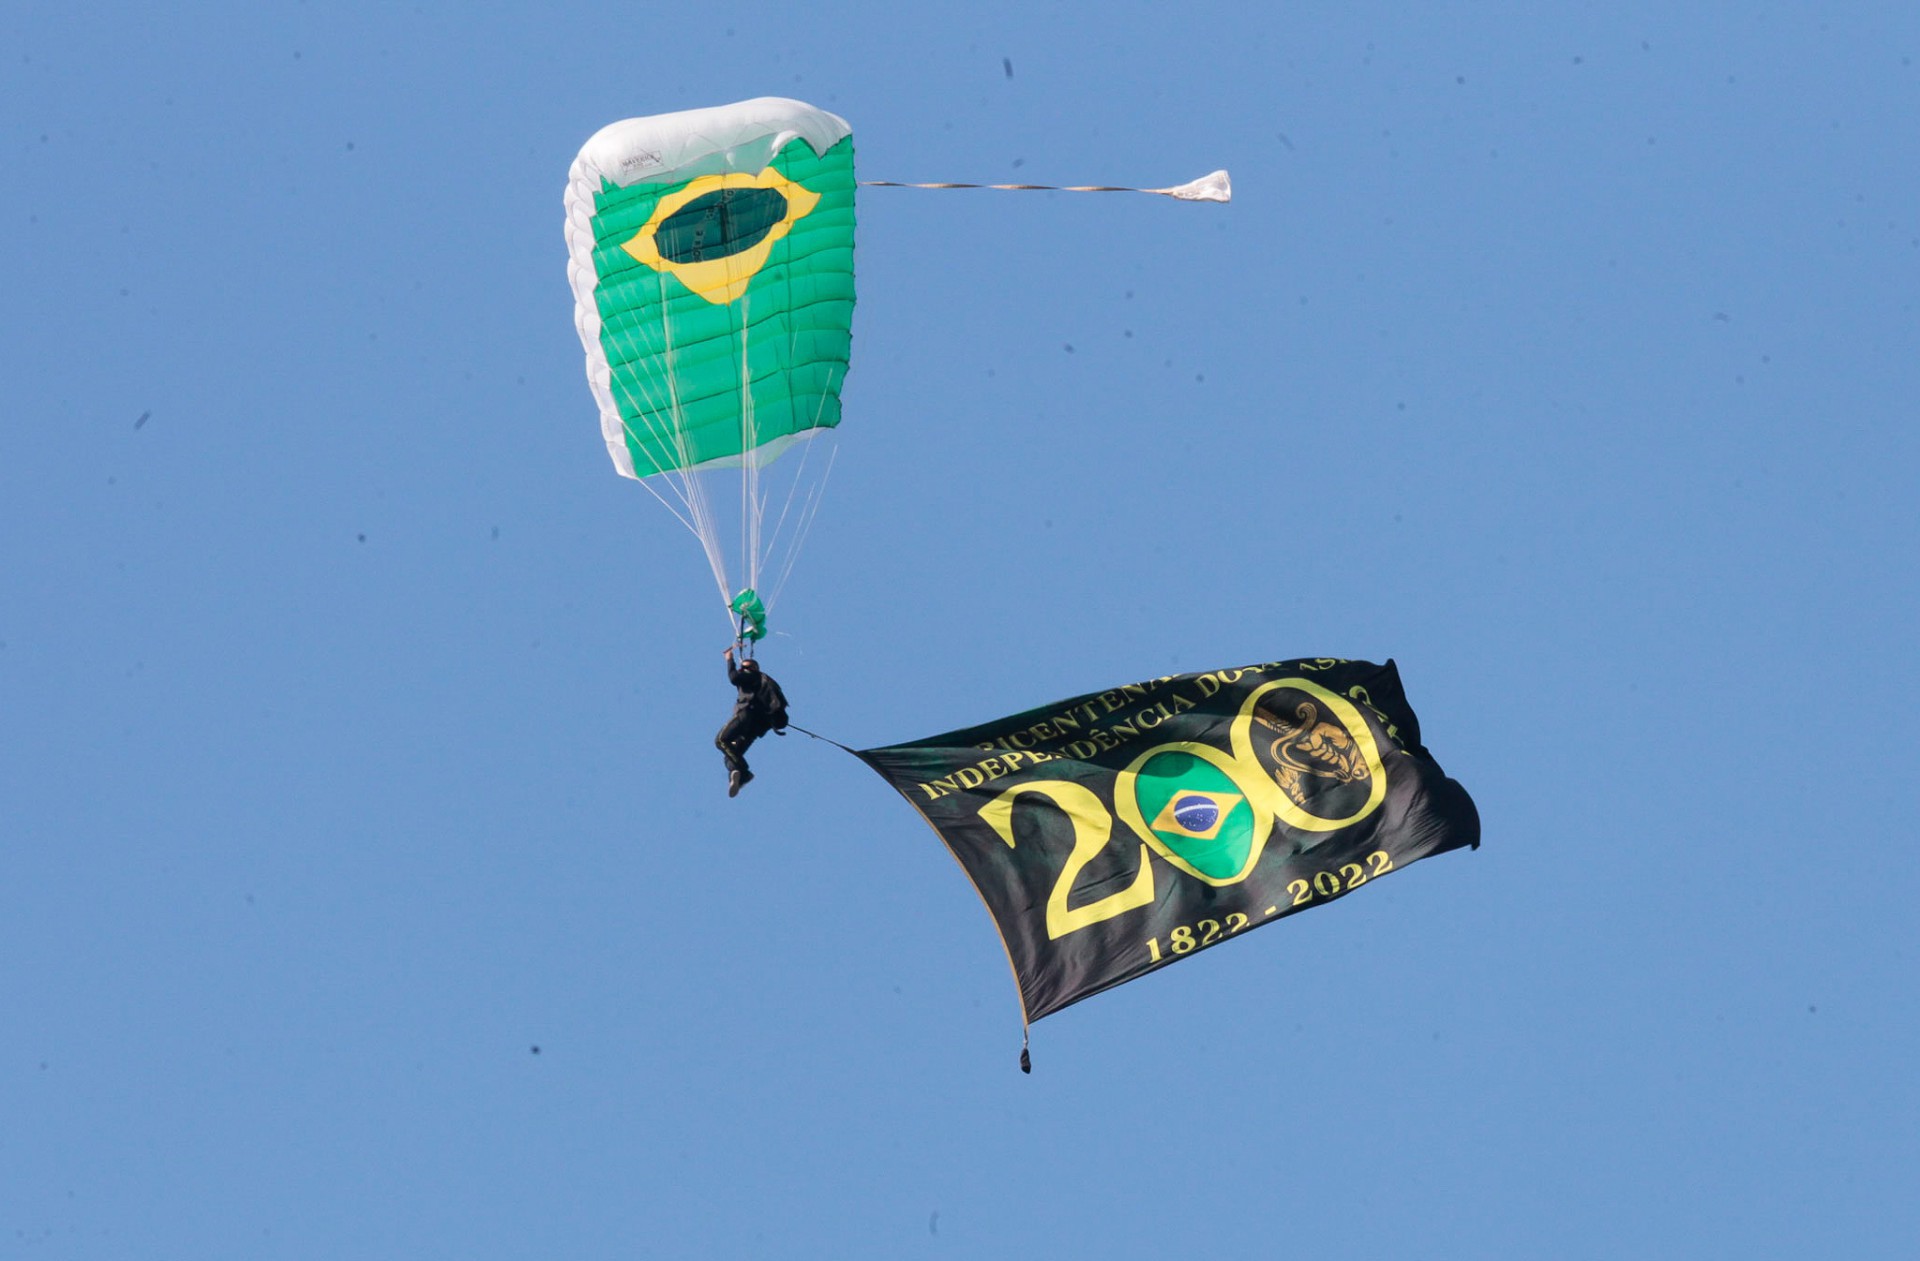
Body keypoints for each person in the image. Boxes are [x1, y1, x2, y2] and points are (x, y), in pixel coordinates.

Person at [717, 645, 789, 797]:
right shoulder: (766, 683)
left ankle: (744, 772)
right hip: (757, 727)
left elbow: (734, 678)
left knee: (721, 740)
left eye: (744, 668)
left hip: (746, 716)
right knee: (731, 754)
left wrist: (729, 660)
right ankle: (737, 775)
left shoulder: (751, 675)